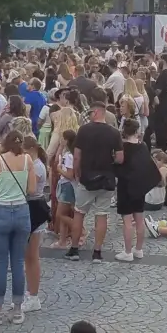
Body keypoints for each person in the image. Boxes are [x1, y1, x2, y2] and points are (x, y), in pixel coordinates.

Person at [0, 129, 37, 324]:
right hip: (22, 212)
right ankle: (17, 309)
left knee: (0, 263)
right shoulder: (27, 161)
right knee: (18, 263)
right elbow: (31, 189)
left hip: (1, 212)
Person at [69, 101, 121, 262]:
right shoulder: (114, 132)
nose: (90, 116)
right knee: (102, 215)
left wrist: (76, 171)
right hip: (106, 179)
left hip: (87, 178)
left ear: (97, 112)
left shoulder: (84, 130)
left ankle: (74, 249)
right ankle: (97, 252)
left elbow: (77, 155)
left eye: (91, 113)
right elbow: (120, 158)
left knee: (79, 213)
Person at [113, 118, 159, 262]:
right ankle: (138, 249)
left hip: (125, 186)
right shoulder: (143, 146)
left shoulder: (122, 148)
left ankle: (127, 252)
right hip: (139, 187)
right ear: (137, 131)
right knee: (139, 219)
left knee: (127, 220)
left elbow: (117, 164)